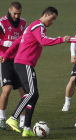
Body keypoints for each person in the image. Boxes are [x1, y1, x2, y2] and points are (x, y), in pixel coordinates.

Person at [0, 6, 70, 137]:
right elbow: (43, 41)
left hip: (23, 63)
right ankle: (13, 118)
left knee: (34, 95)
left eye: (54, 19)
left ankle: (26, 128)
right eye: (52, 18)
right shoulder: (38, 26)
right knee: (31, 92)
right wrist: (61, 39)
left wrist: (6, 54)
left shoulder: (31, 26)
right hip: (23, 63)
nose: (53, 21)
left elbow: (17, 41)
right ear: (45, 15)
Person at [0, 2, 26, 130]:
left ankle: (22, 122)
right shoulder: (2, 23)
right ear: (9, 10)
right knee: (7, 89)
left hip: (19, 60)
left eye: (19, 14)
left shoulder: (23, 23)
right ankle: (2, 118)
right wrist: (7, 44)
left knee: (24, 92)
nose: (16, 16)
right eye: (14, 13)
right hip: (6, 60)